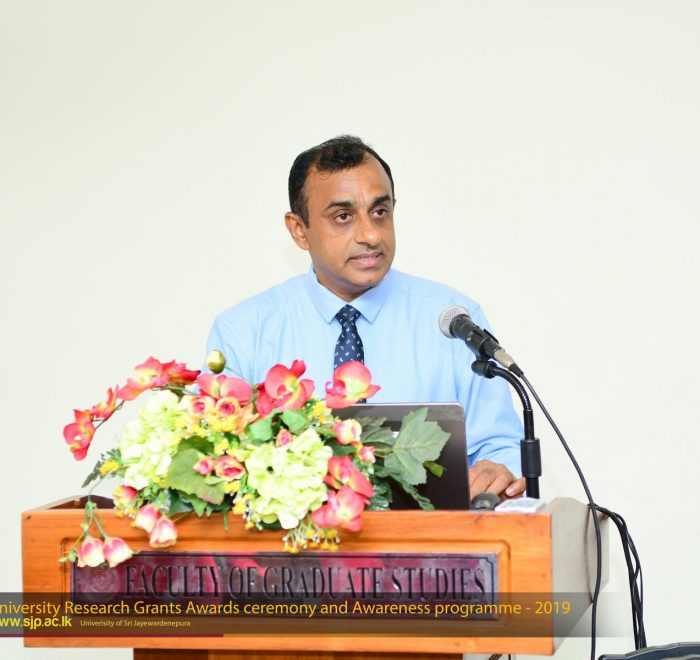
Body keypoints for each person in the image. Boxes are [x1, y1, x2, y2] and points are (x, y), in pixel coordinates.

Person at [206, 135, 526, 499]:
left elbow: (502, 447)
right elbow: (214, 463)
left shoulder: (452, 321)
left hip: (431, 533)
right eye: (343, 217)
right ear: (299, 230)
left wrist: (498, 470)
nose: (371, 234)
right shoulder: (244, 332)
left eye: (380, 212)